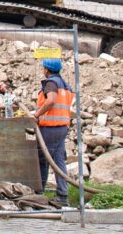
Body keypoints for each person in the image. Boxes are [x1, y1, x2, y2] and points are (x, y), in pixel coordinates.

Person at [33, 58, 74, 206]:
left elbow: (50, 101)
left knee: (43, 160)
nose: (43, 70)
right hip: (62, 127)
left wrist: (37, 114)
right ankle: (62, 196)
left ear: (47, 70)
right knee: (58, 161)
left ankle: (39, 192)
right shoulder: (66, 86)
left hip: (49, 127)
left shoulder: (51, 83)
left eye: (44, 68)